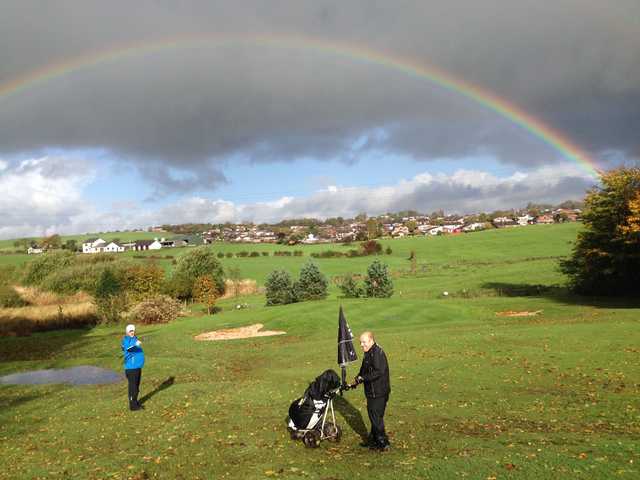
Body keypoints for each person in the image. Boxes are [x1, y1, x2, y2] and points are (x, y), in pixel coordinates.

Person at [352, 331, 391, 451]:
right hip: (372, 391)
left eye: (364, 342)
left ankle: (383, 442)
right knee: (375, 416)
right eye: (360, 343)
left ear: (371, 340)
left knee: (375, 417)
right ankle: (373, 440)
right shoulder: (368, 352)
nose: (362, 345)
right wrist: (357, 379)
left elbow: (378, 371)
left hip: (379, 392)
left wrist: (363, 378)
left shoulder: (377, 353)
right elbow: (364, 369)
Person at [121, 324, 145, 411]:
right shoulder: (126, 340)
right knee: (133, 387)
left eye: (133, 331)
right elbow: (128, 349)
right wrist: (136, 344)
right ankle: (133, 406)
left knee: (136, 387)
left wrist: (138, 341)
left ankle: (135, 402)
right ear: (127, 332)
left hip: (137, 367)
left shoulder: (134, 338)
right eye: (130, 331)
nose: (132, 332)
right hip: (131, 368)